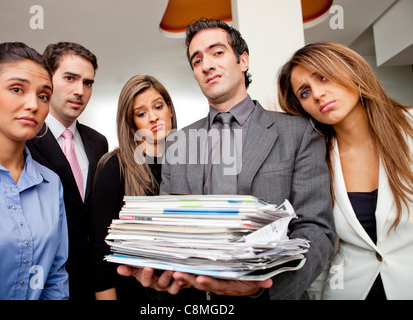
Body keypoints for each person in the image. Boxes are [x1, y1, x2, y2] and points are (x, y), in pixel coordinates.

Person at [118, 18, 335, 300]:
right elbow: (171, 232)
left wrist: (264, 287)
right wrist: (162, 270)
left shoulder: (299, 132)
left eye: (217, 52)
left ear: (242, 60)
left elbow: (316, 230)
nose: (206, 65)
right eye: (197, 61)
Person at [277, 41, 413, 299]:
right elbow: (320, 244)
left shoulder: (409, 127)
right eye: (305, 92)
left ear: (351, 71)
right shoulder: (315, 159)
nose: (317, 94)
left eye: (324, 78)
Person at [0, 42, 68, 299]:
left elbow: (55, 275)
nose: (33, 104)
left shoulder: (50, 183)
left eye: (43, 96)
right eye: (17, 89)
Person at [26, 42, 108, 300]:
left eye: (88, 83)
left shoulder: (99, 142)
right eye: (70, 78)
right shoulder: (25, 138)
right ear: (47, 79)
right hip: (42, 281)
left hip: (94, 280)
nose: (79, 91)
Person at [89, 75, 177, 300]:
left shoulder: (188, 164)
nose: (153, 117)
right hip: (134, 293)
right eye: (141, 113)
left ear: (169, 109)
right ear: (131, 123)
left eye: (158, 106)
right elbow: (102, 250)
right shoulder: (114, 166)